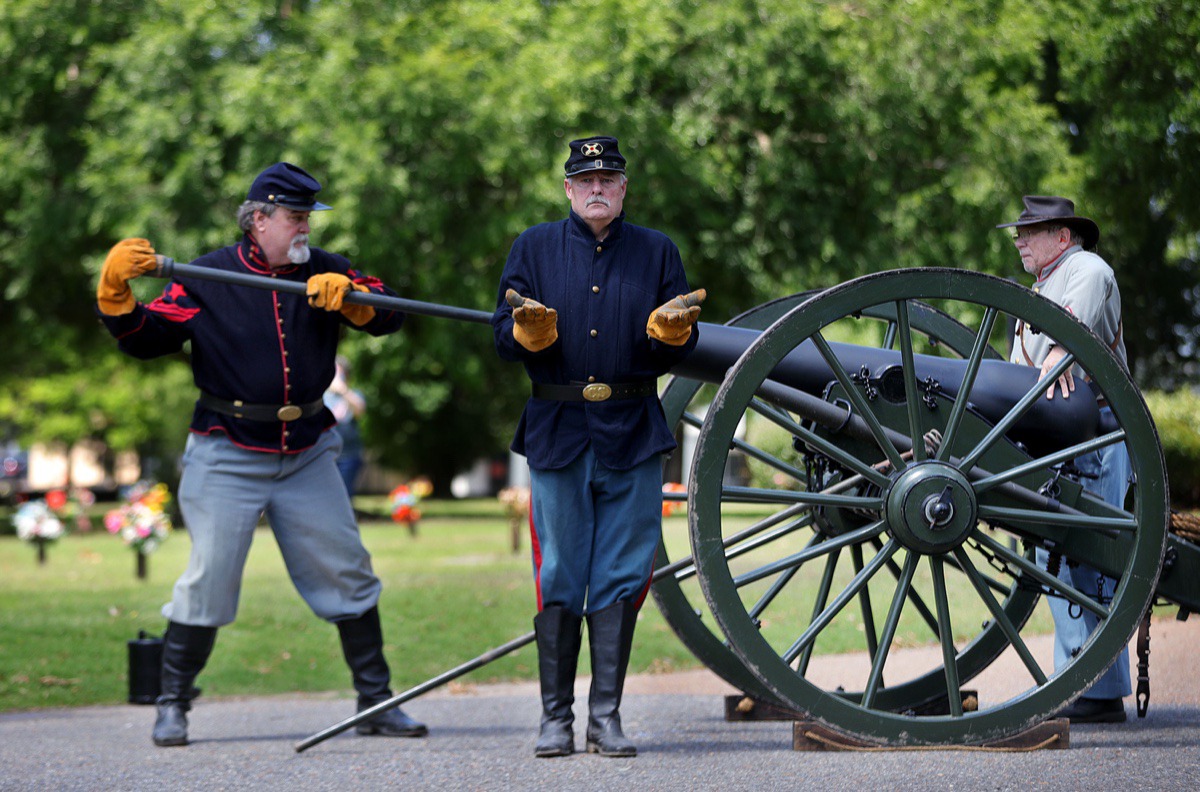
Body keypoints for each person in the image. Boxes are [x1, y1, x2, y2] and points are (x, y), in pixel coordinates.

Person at [95, 162, 428, 746]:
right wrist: (116, 296)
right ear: (258, 221)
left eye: (309, 219)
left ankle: (376, 702)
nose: (305, 229)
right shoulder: (208, 276)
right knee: (210, 579)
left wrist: (356, 302)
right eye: (296, 218)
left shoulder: (325, 270)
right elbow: (149, 338)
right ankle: (172, 704)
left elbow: (391, 312)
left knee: (346, 570)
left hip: (307, 451)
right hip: (227, 452)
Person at [492, 136, 704, 758]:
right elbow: (499, 336)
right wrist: (525, 334)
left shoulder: (658, 250)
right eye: (585, 179)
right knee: (557, 570)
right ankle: (555, 719)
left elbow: (681, 344)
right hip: (557, 431)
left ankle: (604, 718)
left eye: (608, 178)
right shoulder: (531, 247)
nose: (597, 187)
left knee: (621, 574)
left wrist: (671, 336)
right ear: (567, 188)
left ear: (624, 187)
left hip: (633, 429)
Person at [998, 195, 1132, 724]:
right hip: (1056, 439)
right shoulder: (1043, 285)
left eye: (1031, 232)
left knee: (1093, 557)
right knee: (1056, 558)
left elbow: (1075, 323)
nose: (1019, 241)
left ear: (1063, 237)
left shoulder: (1086, 268)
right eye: (1019, 233)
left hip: (1095, 435)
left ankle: (1099, 689)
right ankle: (1082, 678)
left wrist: (1058, 350)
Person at [324, 355, 368, 497]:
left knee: (344, 497)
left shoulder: (353, 394)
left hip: (349, 456)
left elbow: (360, 410)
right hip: (325, 456)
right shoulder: (322, 396)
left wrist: (343, 390)